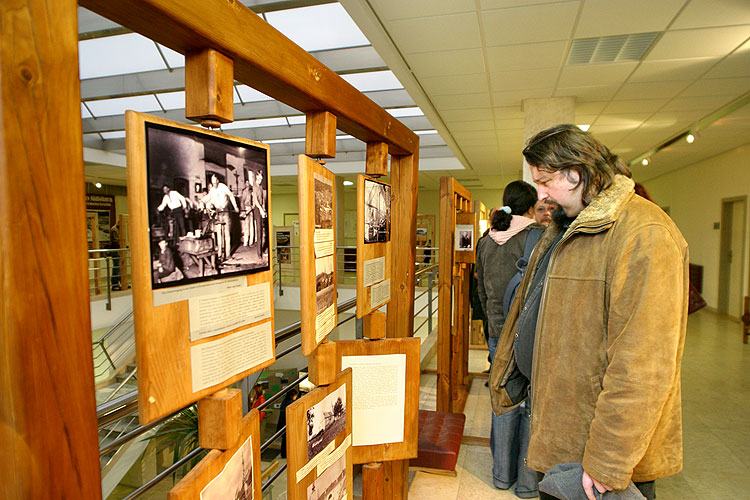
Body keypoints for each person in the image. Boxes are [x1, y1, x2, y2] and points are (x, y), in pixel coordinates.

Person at [489, 124, 688, 500]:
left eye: (545, 181)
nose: (540, 194)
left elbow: (643, 365)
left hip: (598, 458)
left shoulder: (645, 232)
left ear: (577, 173)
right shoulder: (571, 224)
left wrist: (607, 461)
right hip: (566, 436)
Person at [477, 181, 541, 498]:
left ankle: (502, 476)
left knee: (502, 397)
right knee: (530, 402)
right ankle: (527, 483)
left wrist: (489, 323)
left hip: (495, 331)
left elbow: (479, 291)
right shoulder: (537, 239)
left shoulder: (484, 242)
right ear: (531, 208)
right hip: (529, 334)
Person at [201, 174, 239, 260]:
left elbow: (231, 196)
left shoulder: (223, 187)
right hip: (218, 212)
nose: (214, 184)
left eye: (215, 182)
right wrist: (202, 201)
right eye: (212, 183)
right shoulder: (212, 190)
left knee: (227, 233)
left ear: (218, 180)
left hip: (225, 211)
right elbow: (208, 197)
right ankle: (219, 254)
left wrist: (235, 207)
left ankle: (228, 254)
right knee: (219, 233)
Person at [276, 387, 300, 458]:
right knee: (289, 440)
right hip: (289, 423)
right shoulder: (292, 403)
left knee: (284, 440)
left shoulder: (284, 401)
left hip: (283, 423)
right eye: (296, 396)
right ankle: (288, 454)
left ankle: (283, 454)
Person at [251, 170, 268, 259]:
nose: (261, 179)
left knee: (262, 231)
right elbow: (256, 201)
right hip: (257, 209)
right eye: (260, 177)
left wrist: (264, 208)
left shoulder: (260, 187)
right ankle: (259, 254)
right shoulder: (254, 187)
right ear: (256, 177)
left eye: (262, 177)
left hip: (261, 208)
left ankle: (262, 251)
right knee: (259, 231)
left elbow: (262, 199)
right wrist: (261, 210)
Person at [240, 176, 255, 247]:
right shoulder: (244, 192)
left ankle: (251, 242)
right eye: (246, 183)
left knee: (251, 226)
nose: (247, 184)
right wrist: (243, 211)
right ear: (245, 184)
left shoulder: (252, 191)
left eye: (248, 183)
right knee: (246, 227)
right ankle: (246, 242)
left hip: (251, 209)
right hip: (246, 209)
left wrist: (252, 207)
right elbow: (242, 201)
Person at [109, 222, 121, 290]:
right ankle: (114, 284)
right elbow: (116, 240)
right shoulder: (114, 229)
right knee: (116, 267)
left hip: (118, 251)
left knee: (119, 267)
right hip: (115, 251)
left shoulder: (118, 229)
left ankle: (121, 282)